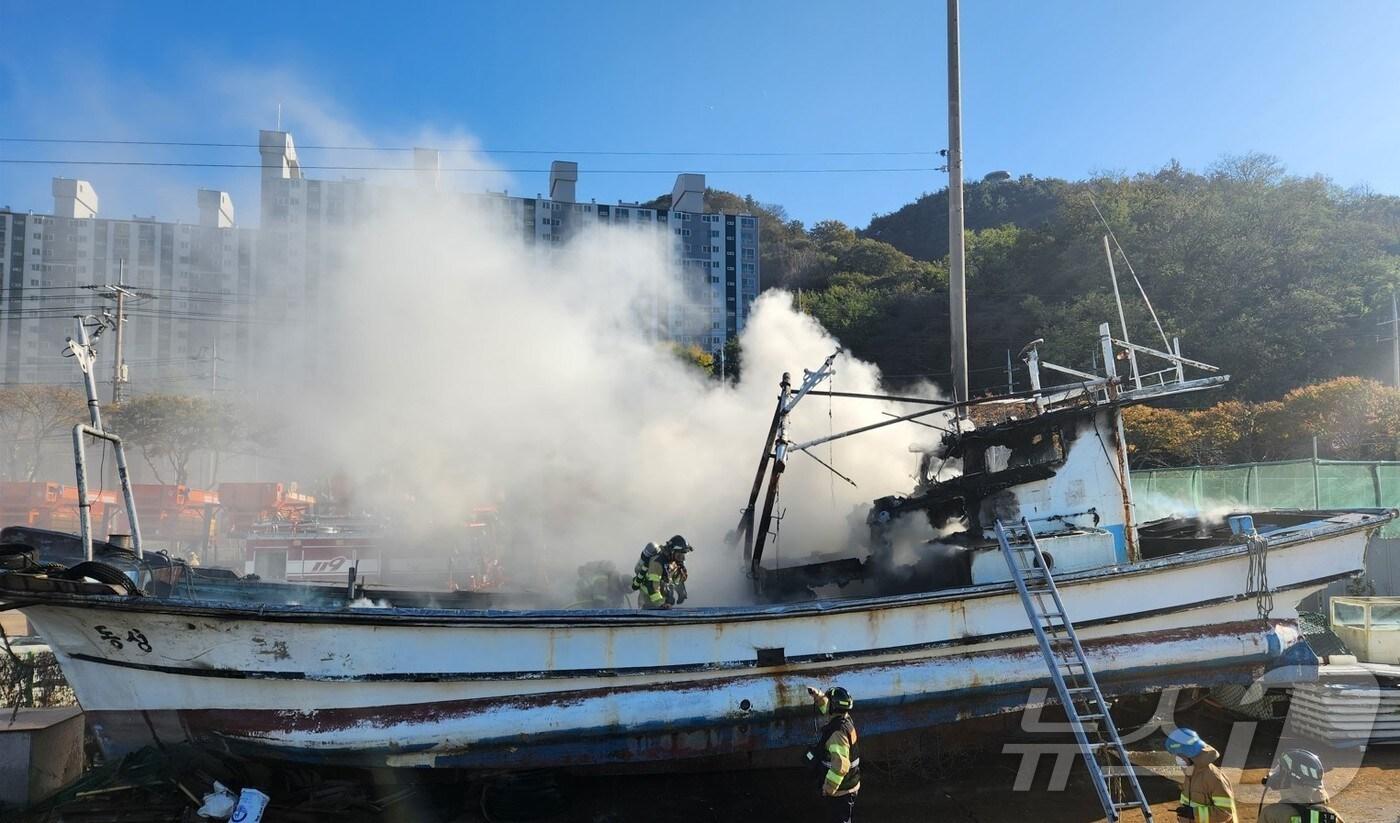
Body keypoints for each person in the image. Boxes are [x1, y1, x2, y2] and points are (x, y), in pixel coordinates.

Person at [805, 685, 860, 823]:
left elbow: (841, 765)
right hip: (848, 785)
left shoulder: (837, 733)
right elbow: (828, 708)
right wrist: (818, 696)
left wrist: (828, 788)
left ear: (834, 707)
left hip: (841, 791)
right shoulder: (845, 720)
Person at [1165, 728, 1237, 822]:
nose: (1177, 759)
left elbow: (1225, 813)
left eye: (1178, 755)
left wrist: (1193, 814)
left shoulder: (1214, 778)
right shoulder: (1191, 774)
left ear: (1189, 753)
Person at [1260, 749, 1343, 823]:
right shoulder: (1329, 814)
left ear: (1288, 780)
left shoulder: (1272, 814)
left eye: (1281, 771)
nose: (1278, 775)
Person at [630, 535, 692, 609]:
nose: (682, 558)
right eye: (679, 555)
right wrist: (661, 604)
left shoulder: (673, 561)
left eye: (684, 555)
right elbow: (652, 586)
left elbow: (675, 579)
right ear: (672, 551)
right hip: (647, 599)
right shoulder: (657, 563)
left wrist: (681, 592)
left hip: (662, 598)